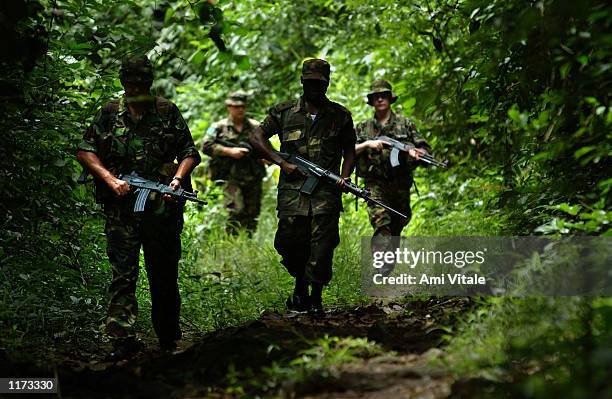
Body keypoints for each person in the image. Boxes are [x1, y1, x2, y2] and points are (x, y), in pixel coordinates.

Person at [76, 54, 201, 359]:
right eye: (131, 84)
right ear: (123, 83)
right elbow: (85, 151)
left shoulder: (166, 111)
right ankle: (121, 339)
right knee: (123, 274)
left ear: (150, 83)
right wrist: (109, 180)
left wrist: (177, 179)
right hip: (121, 212)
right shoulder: (108, 113)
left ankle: (168, 338)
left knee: (164, 274)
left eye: (142, 83)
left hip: (162, 212)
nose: (136, 89)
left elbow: (190, 152)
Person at [250, 58, 356, 315]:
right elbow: (255, 137)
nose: (314, 88)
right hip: (292, 193)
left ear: (327, 83)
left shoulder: (339, 115)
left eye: (319, 83)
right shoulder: (284, 112)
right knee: (288, 242)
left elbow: (350, 150)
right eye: (309, 82)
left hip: (326, 193)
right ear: (302, 81)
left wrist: (344, 177)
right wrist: (280, 162)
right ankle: (300, 283)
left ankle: (314, 296)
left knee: (323, 244)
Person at [355, 79, 430, 250]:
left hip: (400, 184)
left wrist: (416, 153)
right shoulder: (362, 128)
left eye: (384, 96)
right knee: (382, 224)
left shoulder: (405, 124)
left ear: (390, 98)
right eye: (376, 97)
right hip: (375, 183)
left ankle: (386, 267)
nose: (380, 99)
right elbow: (348, 151)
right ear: (372, 101)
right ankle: (380, 271)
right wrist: (368, 144)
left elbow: (424, 149)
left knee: (395, 229)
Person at [201, 91, 266, 235]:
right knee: (235, 210)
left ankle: (249, 243)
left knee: (252, 212)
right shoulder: (218, 127)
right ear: (229, 107)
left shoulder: (255, 126)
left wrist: (265, 157)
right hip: (230, 176)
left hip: (253, 174)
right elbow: (205, 146)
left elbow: (266, 148)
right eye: (236, 106)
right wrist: (229, 151)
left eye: (242, 106)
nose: (240, 109)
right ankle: (232, 241)